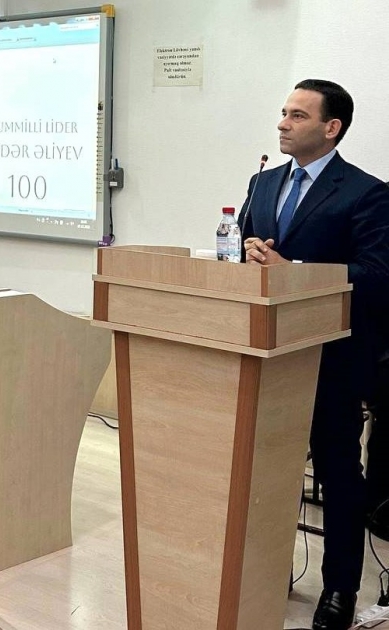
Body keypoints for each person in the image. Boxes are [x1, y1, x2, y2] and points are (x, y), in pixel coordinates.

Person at [238, 79, 389, 630]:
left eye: (297, 115)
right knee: (265, 471)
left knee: (337, 475)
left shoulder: (367, 193)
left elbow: (377, 275)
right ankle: (266, 569)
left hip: (333, 361)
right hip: (265, 355)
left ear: (332, 128)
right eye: (283, 112)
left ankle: (339, 589)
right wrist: (248, 252)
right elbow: (247, 250)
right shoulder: (262, 182)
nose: (282, 123)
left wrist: (295, 273)